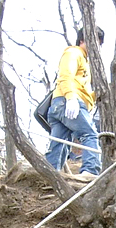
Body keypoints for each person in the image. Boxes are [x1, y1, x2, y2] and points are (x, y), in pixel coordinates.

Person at [45, 28, 105, 177]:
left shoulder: (85, 61)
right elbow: (65, 75)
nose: (97, 47)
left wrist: (97, 95)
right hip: (68, 101)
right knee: (90, 134)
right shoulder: (74, 53)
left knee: (59, 143)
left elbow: (82, 88)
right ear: (82, 40)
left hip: (62, 104)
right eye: (94, 42)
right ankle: (90, 171)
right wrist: (71, 98)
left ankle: (49, 176)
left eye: (99, 44)